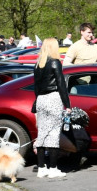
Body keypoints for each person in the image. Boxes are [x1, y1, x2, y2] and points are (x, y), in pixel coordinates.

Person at [32, 38, 72, 179]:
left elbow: (36, 86)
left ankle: (41, 168)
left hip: (41, 99)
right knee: (54, 134)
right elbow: (61, 85)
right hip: (53, 98)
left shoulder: (38, 64)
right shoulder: (55, 62)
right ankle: (53, 168)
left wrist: (37, 101)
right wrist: (67, 105)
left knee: (42, 134)